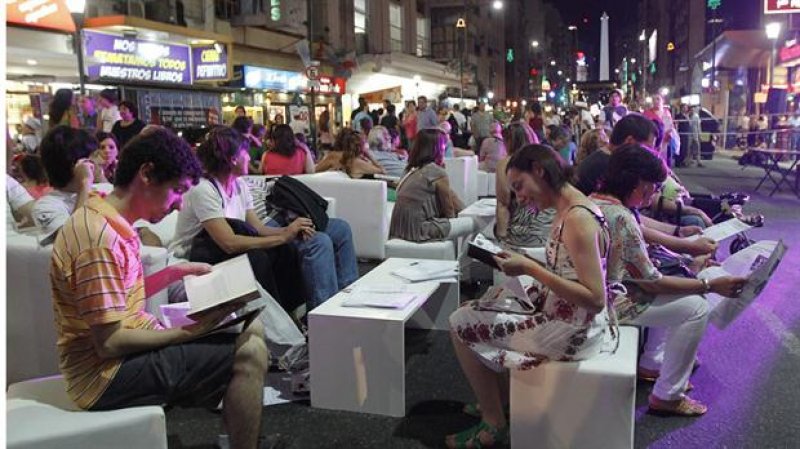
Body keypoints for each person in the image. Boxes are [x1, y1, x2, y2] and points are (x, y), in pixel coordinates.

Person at [49, 127, 271, 449]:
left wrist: (173, 274)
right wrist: (189, 333)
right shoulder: (99, 239)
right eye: (177, 190)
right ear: (147, 174)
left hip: (113, 359)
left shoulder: (102, 217)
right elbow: (109, 343)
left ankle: (236, 437)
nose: (180, 204)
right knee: (250, 352)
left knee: (251, 326)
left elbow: (114, 297)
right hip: (103, 378)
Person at [447, 144, 616, 448]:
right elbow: (569, 274)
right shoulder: (574, 207)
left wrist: (529, 269)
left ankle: (493, 422)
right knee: (480, 304)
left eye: (520, 186)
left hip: (571, 331)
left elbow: (595, 297)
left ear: (539, 170)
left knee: (460, 323)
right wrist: (527, 274)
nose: (520, 197)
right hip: (569, 318)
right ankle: (499, 402)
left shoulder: (577, 218)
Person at [590, 144, 746, 416]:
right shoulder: (621, 216)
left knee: (681, 291)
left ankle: (653, 362)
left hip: (605, 290)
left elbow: (643, 235)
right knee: (696, 307)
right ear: (638, 183)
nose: (656, 193)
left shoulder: (601, 199)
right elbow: (652, 283)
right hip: (612, 301)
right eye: (654, 186)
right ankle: (668, 395)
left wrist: (687, 245)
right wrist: (709, 285)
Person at [389, 128, 475, 242]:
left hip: (399, 228)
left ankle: (468, 211)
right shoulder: (436, 172)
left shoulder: (410, 169)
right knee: (470, 222)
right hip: (418, 229)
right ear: (438, 149)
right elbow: (448, 209)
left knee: (448, 192)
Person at [33, 126, 98, 244]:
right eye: (92, 158)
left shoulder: (101, 190)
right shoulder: (46, 206)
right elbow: (74, 239)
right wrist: (85, 183)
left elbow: (140, 228)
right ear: (78, 165)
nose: (97, 163)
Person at [495, 121, 555, 247]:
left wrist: (501, 242)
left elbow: (503, 204)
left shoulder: (506, 164)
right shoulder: (547, 157)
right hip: (552, 232)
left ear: (508, 142)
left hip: (523, 235)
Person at [315, 128, 384, 178]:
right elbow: (383, 171)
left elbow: (314, 170)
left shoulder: (333, 156)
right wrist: (368, 155)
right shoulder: (357, 162)